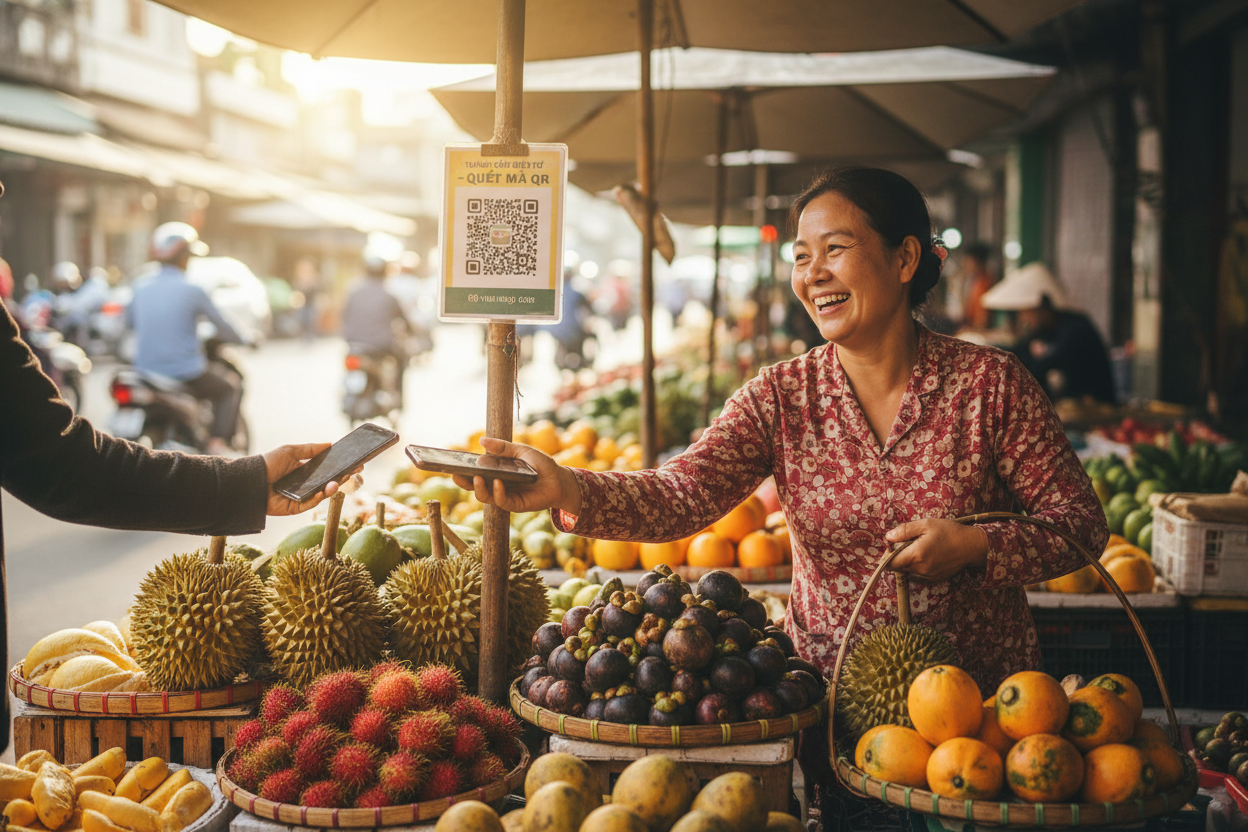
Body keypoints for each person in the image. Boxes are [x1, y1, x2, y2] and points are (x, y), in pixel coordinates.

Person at [455, 167, 1106, 694]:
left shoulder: (989, 384)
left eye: (836, 250)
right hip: (830, 700)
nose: (812, 273)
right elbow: (684, 495)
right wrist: (567, 488)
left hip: (988, 712)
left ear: (905, 257)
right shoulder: (780, 396)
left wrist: (975, 545)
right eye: (801, 257)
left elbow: (1079, 525)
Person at [128, 223, 247, 455]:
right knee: (229, 388)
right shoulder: (193, 290)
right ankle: (217, 445)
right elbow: (224, 327)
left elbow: (129, 323)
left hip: (144, 372)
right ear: (183, 258)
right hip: (184, 372)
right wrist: (245, 338)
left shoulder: (139, 287)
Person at [981, 261, 1117, 404]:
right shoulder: (1048, 329)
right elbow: (1022, 349)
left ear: (1042, 309)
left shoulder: (1075, 329)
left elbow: (1042, 365)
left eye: (1028, 313)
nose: (1025, 320)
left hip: (1095, 406)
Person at [341, 244, 412, 408]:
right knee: (401, 359)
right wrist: (410, 332)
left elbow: (345, 317)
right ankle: (397, 397)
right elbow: (404, 321)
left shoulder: (353, 292)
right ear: (384, 272)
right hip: (381, 346)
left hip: (353, 345)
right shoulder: (389, 295)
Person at [959, 242, 997, 330]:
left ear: (978, 262)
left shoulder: (986, 282)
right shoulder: (974, 281)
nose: (965, 264)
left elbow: (982, 320)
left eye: (968, 260)